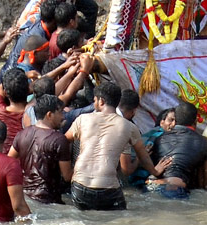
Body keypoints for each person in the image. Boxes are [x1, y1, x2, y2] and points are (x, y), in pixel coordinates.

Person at [66, 80, 166, 210]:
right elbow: (143, 156)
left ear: (101, 101)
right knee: (120, 222)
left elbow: (62, 141)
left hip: (79, 185)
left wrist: (67, 172)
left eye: (95, 100)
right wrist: (156, 171)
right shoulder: (129, 127)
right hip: (107, 188)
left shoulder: (82, 119)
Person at [9, 93, 73, 203]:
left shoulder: (22, 134)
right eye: (60, 112)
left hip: (26, 198)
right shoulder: (59, 140)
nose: (63, 117)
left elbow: (9, 161)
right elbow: (67, 176)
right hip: (49, 200)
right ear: (49, 115)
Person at [149, 100, 207, 198]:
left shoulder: (158, 139)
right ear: (195, 121)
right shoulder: (204, 142)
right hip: (175, 190)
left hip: (150, 185)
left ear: (175, 121)